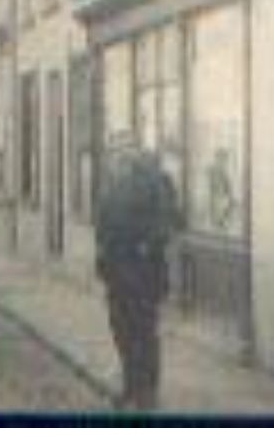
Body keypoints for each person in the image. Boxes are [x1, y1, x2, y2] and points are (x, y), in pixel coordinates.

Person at [95, 143, 179, 410]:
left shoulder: (157, 183)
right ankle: (131, 386)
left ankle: (148, 392)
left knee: (144, 333)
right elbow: (102, 224)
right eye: (116, 151)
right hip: (116, 273)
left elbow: (170, 221)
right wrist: (103, 257)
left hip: (144, 273)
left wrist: (147, 245)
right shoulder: (111, 186)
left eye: (124, 151)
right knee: (121, 331)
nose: (119, 158)